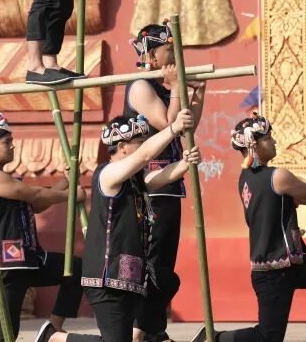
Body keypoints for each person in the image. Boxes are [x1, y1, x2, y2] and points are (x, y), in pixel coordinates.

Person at [37, 110, 200, 342]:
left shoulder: (135, 178)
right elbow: (144, 156)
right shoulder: (109, 173)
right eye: (139, 142)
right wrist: (173, 128)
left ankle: (143, 334)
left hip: (131, 275)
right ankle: (55, 338)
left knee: (166, 281)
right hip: (107, 278)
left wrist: (185, 163)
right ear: (122, 146)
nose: (143, 146)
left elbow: (160, 177)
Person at [206, 113, 306, 342]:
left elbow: (296, 198)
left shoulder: (246, 178)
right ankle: (215, 339)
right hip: (273, 271)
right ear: (253, 144)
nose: (274, 141)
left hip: (289, 264)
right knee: (267, 338)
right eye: (268, 138)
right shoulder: (277, 176)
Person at [0, 115, 87, 342]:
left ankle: (53, 328)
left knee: (75, 269)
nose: (13, 146)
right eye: (7, 142)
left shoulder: (5, 178)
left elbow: (36, 204)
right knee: (3, 335)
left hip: (30, 258)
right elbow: (36, 194)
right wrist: (70, 195)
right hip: (5, 266)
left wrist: (66, 181)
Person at [123, 22, 205, 342]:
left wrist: (198, 92)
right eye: (170, 51)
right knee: (153, 264)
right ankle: (140, 331)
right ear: (152, 56)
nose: (175, 56)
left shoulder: (166, 85)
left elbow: (187, 125)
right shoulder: (141, 86)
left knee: (165, 263)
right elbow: (168, 124)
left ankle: (154, 330)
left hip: (171, 182)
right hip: (150, 183)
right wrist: (176, 88)